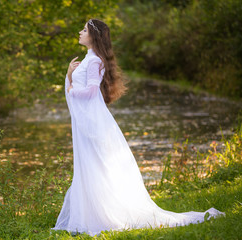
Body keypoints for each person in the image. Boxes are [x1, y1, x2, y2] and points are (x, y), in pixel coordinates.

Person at [51, 19, 224, 236]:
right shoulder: (88, 59)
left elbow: (92, 91)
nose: (79, 32)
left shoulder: (94, 62)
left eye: (84, 30)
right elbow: (81, 86)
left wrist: (71, 88)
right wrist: (69, 75)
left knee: (96, 165)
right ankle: (90, 213)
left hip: (93, 122)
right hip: (87, 119)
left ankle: (101, 214)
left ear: (94, 36)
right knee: (90, 165)